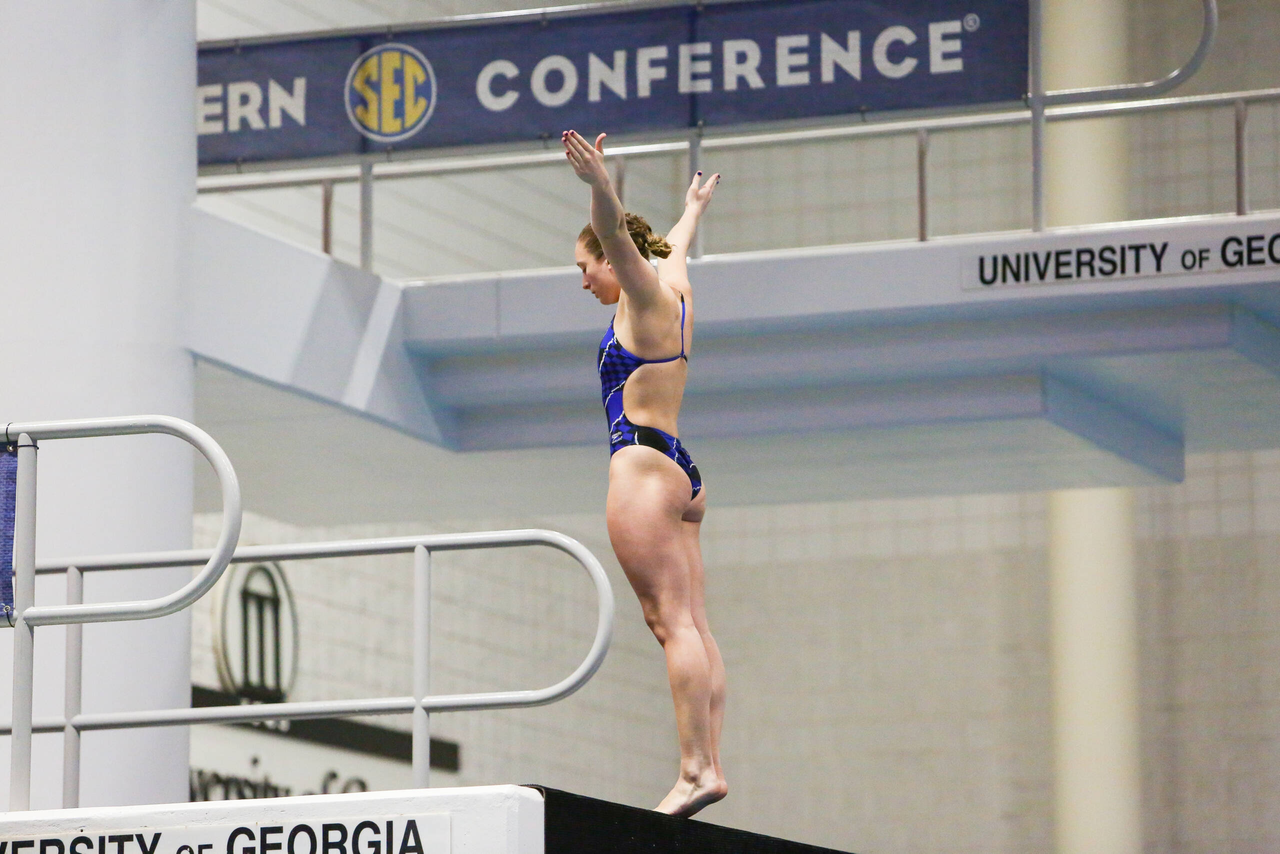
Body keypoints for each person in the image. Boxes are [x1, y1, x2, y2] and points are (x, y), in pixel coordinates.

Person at [562, 129, 726, 817]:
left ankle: (695, 770)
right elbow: (674, 242)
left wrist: (601, 185)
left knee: (670, 626)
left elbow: (613, 230)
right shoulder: (675, 286)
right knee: (694, 623)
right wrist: (692, 208)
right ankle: (708, 760)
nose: (583, 280)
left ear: (613, 258)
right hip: (681, 471)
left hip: (642, 467)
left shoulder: (641, 295)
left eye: (583, 267)